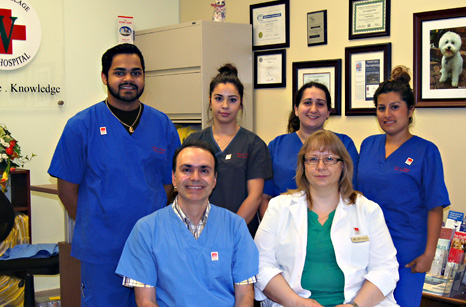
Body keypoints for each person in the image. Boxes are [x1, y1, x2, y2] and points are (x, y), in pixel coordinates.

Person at [48, 43, 180, 307]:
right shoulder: (81, 126)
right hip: (102, 250)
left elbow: (170, 183)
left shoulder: (162, 124)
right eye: (120, 72)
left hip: (152, 247)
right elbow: (67, 190)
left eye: (136, 72)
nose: (129, 79)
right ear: (104, 77)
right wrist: (98, 220)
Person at [255, 130, 399, 307]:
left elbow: (385, 269)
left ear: (343, 166)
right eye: (313, 159)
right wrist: (297, 302)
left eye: (330, 159)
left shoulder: (367, 210)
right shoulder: (279, 207)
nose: (320, 166)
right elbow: (262, 265)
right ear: (303, 166)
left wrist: (354, 306)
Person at [116, 140, 259, 307]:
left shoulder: (235, 227)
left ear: (214, 180)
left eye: (204, 170)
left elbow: (244, 297)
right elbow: (146, 301)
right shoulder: (146, 230)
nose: (195, 177)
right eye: (186, 170)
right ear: (174, 178)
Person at [356, 66, 450, 307]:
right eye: (381, 108)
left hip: (407, 255)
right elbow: (354, 195)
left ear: (410, 110)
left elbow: (435, 207)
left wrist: (429, 254)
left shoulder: (426, 151)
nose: (387, 114)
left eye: (395, 107)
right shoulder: (368, 145)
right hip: (366, 250)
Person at [184, 64, 272, 236]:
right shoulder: (193, 142)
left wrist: (229, 231)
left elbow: (255, 197)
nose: (225, 105)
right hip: (198, 231)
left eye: (232, 100)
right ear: (210, 101)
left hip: (240, 232)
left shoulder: (254, 145)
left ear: (240, 104)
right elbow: (185, 188)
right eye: (218, 98)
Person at [261, 82, 358, 217]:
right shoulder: (276, 146)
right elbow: (265, 197)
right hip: (284, 223)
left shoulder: (344, 144)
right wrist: (274, 228)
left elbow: (350, 192)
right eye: (307, 103)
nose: (313, 109)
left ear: (328, 112)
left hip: (333, 223)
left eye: (320, 104)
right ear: (296, 109)